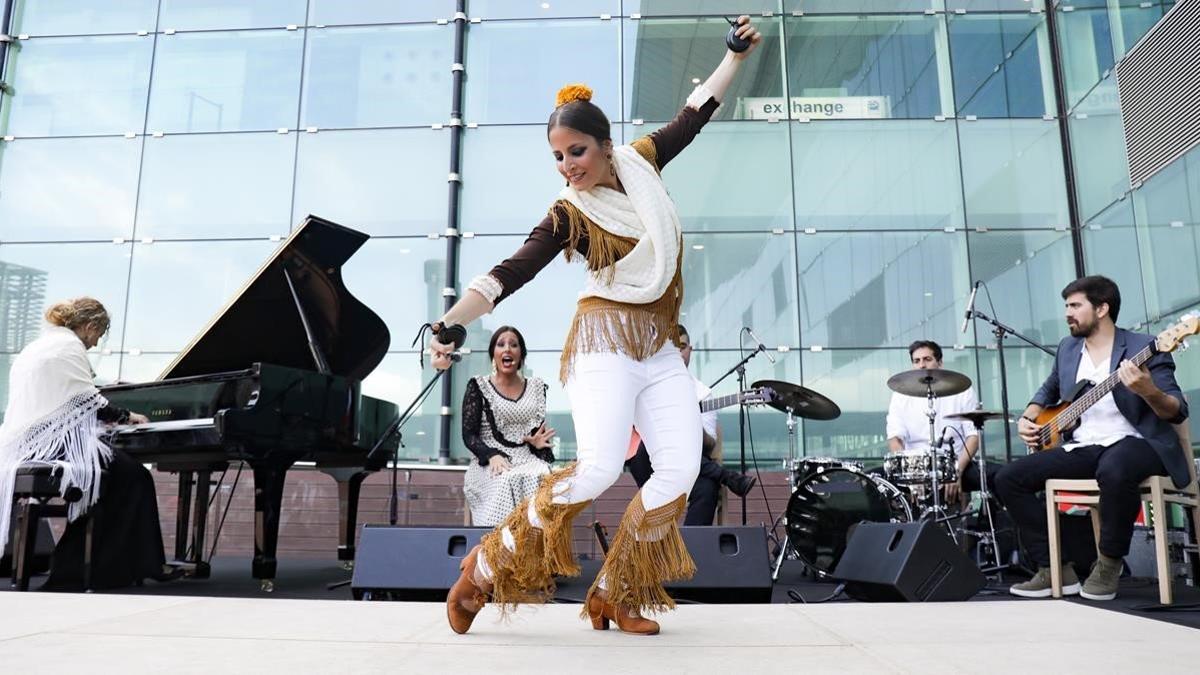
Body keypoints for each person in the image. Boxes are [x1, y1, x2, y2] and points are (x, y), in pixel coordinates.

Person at [430, 17, 762, 636]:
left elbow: (696, 111)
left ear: (606, 146)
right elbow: (511, 272)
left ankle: (615, 592)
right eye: (557, 157)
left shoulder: (642, 165)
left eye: (575, 152)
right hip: (605, 341)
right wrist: (449, 322)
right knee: (599, 467)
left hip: (658, 343)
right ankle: (483, 569)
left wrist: (733, 56)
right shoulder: (568, 213)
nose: (567, 166)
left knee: (680, 468)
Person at [995, 276, 1190, 601]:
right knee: (1008, 478)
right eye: (1066, 306)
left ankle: (1109, 563)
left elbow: (1176, 410)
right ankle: (1054, 567)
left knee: (1114, 468)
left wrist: (1147, 390)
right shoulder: (1069, 349)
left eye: (1075, 306)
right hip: (1083, 447)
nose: (1067, 313)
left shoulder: (1146, 345)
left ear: (1102, 308)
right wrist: (1030, 416)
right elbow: (1049, 388)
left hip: (1137, 443)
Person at [0, 297, 177, 590]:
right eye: (98, 335)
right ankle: (91, 569)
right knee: (135, 477)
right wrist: (127, 416)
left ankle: (104, 565)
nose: (94, 344)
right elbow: (90, 402)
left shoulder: (39, 344)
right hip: (49, 444)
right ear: (90, 326)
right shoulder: (69, 347)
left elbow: (68, 401)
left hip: (26, 442)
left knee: (120, 477)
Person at [624, 325, 756, 525]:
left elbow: (709, 446)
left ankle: (690, 553)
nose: (677, 351)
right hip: (648, 463)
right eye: (671, 347)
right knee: (654, 442)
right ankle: (726, 476)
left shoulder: (702, 393)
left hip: (688, 468)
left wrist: (690, 420)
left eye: (682, 346)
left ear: (690, 351)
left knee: (707, 488)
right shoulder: (644, 385)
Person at [462, 326, 556, 527]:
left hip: (526, 457)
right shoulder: (479, 386)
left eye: (514, 345)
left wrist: (536, 443)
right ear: (493, 354)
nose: (507, 349)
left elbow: (535, 433)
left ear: (521, 354)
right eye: (501, 344)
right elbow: (469, 435)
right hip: (490, 459)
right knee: (507, 479)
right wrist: (491, 454)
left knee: (544, 477)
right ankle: (497, 549)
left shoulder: (536, 387)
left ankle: (536, 546)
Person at [885, 340, 992, 504]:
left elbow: (973, 437)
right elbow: (895, 438)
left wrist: (956, 471)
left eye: (927, 359)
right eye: (917, 361)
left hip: (956, 462)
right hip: (916, 468)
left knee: (1000, 476)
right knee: (873, 481)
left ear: (940, 362)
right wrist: (912, 475)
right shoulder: (900, 395)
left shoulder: (962, 390)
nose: (922, 365)